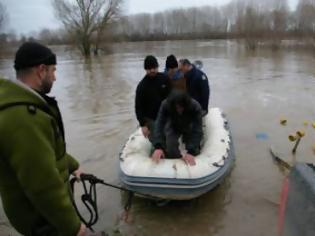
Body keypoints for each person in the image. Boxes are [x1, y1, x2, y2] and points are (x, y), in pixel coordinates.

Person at [0, 42, 102, 236]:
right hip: (41, 219)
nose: (55, 77)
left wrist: (72, 166)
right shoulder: (23, 118)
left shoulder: (21, 104)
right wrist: (73, 227)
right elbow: (43, 185)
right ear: (41, 70)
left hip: (38, 215)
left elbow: (46, 150)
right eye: (53, 71)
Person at [151, 90, 203, 166]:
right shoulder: (165, 104)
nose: (179, 109)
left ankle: (192, 153)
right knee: (170, 143)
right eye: (177, 107)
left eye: (181, 107)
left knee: (194, 148)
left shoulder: (195, 106)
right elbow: (159, 124)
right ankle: (173, 158)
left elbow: (197, 129)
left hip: (189, 123)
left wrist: (191, 151)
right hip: (173, 122)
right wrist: (158, 146)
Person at [135, 55, 171, 142]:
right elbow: (138, 107)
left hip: (166, 116)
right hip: (151, 119)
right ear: (145, 69)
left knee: (169, 140)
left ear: (157, 67)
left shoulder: (165, 79)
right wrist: (143, 125)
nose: (152, 70)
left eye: (154, 68)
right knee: (158, 142)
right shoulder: (142, 86)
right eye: (149, 68)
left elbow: (172, 96)